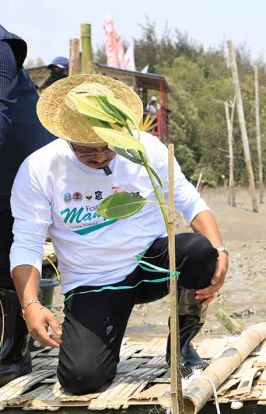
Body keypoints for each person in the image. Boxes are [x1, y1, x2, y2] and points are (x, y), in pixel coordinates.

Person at [10, 74, 229, 394]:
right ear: (67, 138)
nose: (100, 156)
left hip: (151, 266)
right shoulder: (39, 169)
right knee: (81, 379)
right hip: (93, 279)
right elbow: (27, 244)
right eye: (88, 152)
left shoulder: (146, 150)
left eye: (107, 147)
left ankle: (181, 345)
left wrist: (221, 252)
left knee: (201, 250)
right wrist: (30, 304)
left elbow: (191, 203)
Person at [0, 24, 55, 386]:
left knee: (7, 245)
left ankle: (14, 351)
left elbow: (0, 118)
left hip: (18, 159)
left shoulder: (0, 49)